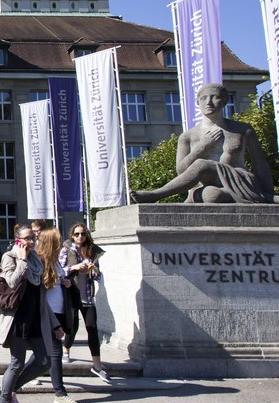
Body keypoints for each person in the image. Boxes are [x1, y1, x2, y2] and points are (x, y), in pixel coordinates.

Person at [131, 83, 276, 204]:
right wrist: (202, 146)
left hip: (239, 179)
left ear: (225, 100)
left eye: (215, 97)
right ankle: (219, 195)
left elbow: (260, 163)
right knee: (212, 196)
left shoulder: (242, 129)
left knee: (202, 164)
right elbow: (182, 170)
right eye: (204, 98)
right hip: (210, 184)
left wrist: (268, 194)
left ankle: (156, 194)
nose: (209, 102)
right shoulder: (187, 136)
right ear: (197, 102)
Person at [0, 225, 63, 403]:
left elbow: (41, 297)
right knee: (16, 363)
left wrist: (55, 324)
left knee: (44, 360)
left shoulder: (37, 260)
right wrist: (22, 260)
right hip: (17, 319)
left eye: (33, 237)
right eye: (26, 238)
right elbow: (11, 282)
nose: (31, 241)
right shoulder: (10, 256)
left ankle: (11, 389)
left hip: (35, 318)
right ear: (17, 240)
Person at [37, 228, 82, 403]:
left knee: (42, 354)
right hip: (50, 313)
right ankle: (60, 393)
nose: (61, 242)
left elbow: (60, 282)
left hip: (61, 311)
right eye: (58, 240)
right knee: (55, 352)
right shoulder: (42, 262)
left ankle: (11, 384)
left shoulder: (55, 262)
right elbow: (40, 290)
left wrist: (67, 282)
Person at [60, 223, 111, 382]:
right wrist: (75, 266)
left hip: (88, 296)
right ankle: (66, 349)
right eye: (77, 234)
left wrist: (94, 270)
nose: (80, 237)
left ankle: (97, 365)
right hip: (72, 294)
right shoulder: (67, 250)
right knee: (72, 327)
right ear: (72, 236)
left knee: (92, 329)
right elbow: (60, 271)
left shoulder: (92, 252)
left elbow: (98, 276)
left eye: (82, 234)